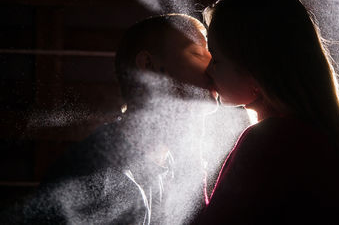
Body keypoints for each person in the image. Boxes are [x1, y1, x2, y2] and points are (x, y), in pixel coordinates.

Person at [1, 13, 216, 225]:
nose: (213, 67)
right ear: (148, 66)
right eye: (198, 54)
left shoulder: (173, 166)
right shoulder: (93, 176)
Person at [196, 0, 339, 224]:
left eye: (216, 60)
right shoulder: (315, 134)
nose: (208, 71)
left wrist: (194, 167)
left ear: (255, 71)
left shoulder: (271, 139)